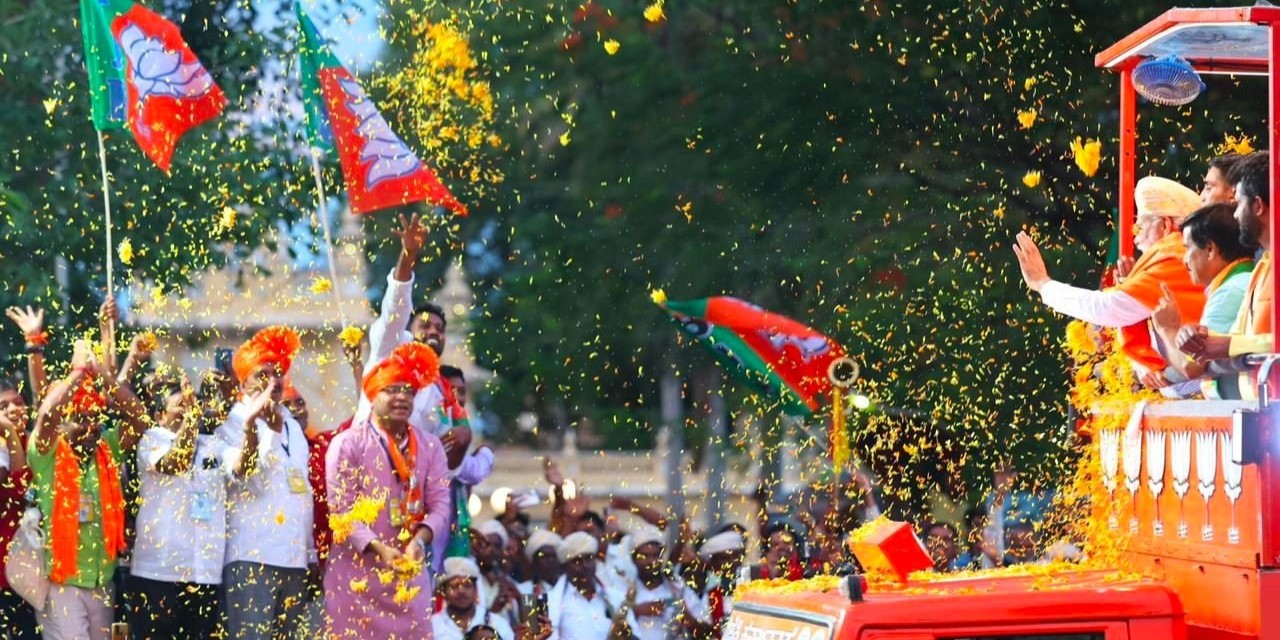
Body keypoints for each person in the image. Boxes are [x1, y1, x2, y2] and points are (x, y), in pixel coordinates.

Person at [355, 214, 494, 570]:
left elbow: (445, 463)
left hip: (413, 509)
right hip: (370, 486)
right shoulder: (390, 349)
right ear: (409, 330)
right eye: (425, 325)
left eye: (440, 329)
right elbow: (395, 307)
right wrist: (408, 256)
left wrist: (463, 443)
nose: (433, 332)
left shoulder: (439, 391)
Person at [1014, 176, 1206, 376]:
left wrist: (1043, 284)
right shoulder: (1179, 253)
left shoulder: (1174, 253)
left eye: (1140, 226)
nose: (1135, 237)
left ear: (1164, 226)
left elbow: (1107, 308)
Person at [324, 342, 452, 638]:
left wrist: (419, 540)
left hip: (408, 575)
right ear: (372, 395)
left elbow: (441, 505)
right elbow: (341, 512)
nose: (402, 397)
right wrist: (380, 549)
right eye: (392, 390)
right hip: (356, 580)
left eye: (408, 391)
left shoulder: (430, 446)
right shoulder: (347, 444)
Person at [27, 337, 148, 640]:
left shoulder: (107, 448)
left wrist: (102, 375)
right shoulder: (46, 454)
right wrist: (78, 373)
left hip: (102, 580)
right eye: (81, 419)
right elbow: (47, 415)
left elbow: (139, 417)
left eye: (95, 419)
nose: (92, 427)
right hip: (63, 584)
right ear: (63, 424)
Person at [216, 326, 316, 639]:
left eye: (278, 374)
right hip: (253, 557)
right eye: (262, 375)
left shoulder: (293, 426)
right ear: (242, 383)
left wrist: (310, 554)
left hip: (295, 559)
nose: (273, 382)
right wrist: (268, 433)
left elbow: (302, 492)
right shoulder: (231, 423)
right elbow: (252, 482)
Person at [129, 376, 231, 639]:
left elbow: (243, 466)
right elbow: (177, 463)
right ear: (160, 416)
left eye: (192, 404)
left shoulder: (213, 445)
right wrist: (193, 418)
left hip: (204, 573)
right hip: (159, 573)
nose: (188, 409)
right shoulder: (152, 439)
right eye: (181, 405)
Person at [1178, 152, 1276, 399]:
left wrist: (1229, 346)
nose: (1235, 214)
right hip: (1263, 408)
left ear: (1257, 205)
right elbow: (1241, 337)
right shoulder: (1262, 267)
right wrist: (1195, 337)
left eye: (1239, 203)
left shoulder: (1246, 275)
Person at [1150, 203, 1256, 398]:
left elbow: (1191, 367)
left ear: (1210, 249)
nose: (1184, 260)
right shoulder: (1244, 278)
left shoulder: (1229, 291)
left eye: (1188, 249)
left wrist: (1168, 329)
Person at [0, 377, 38, 638]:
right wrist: (10, 436)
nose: (13, 410)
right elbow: (18, 491)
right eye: (3, 407)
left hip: (35, 573)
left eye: (18, 402)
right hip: (4, 574)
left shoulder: (39, 444)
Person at [545, 531, 626, 640]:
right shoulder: (551, 602)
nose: (585, 565)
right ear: (565, 567)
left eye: (589, 558)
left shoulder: (616, 598)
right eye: (577, 561)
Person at [621, 526, 686, 640]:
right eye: (644, 556)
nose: (651, 561)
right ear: (633, 558)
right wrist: (636, 611)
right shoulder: (622, 589)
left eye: (656, 555)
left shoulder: (677, 589)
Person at [432, 557, 516, 640]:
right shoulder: (433, 625)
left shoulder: (497, 623)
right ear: (443, 592)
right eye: (454, 586)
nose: (461, 591)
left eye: (467, 585)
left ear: (475, 589)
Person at [685, 529, 746, 639]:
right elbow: (703, 630)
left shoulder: (755, 586)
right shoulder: (710, 596)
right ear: (713, 565)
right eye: (724, 558)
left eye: (735, 556)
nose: (731, 562)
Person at [473, 519, 521, 625]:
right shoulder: (469, 581)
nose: (492, 550)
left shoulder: (507, 582)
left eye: (497, 546)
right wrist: (494, 609)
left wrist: (520, 599)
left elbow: (527, 623)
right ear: (477, 547)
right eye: (487, 544)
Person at [518, 529, 564, 596]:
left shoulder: (569, 589)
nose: (551, 560)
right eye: (545, 556)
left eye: (554, 556)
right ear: (534, 562)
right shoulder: (524, 590)